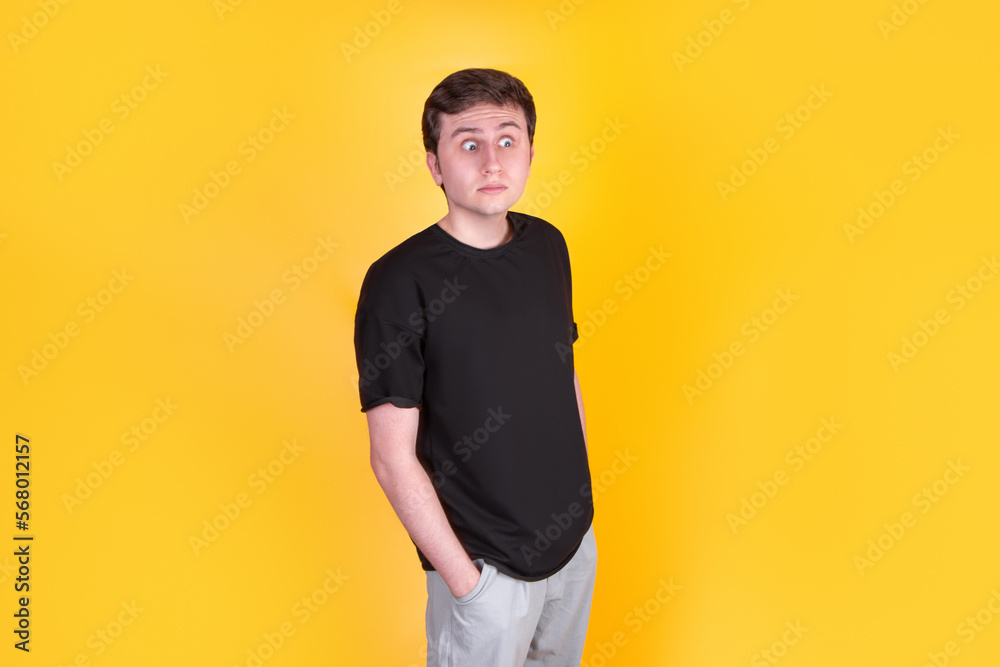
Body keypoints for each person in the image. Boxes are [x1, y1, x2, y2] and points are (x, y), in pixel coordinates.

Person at [354, 68, 596, 666]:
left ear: (530, 153)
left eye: (507, 140)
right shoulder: (399, 280)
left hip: (573, 549)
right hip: (485, 570)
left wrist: (581, 510)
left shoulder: (549, 246)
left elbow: (562, 373)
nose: (492, 161)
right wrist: (467, 584)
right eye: (468, 144)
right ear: (435, 164)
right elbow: (391, 456)